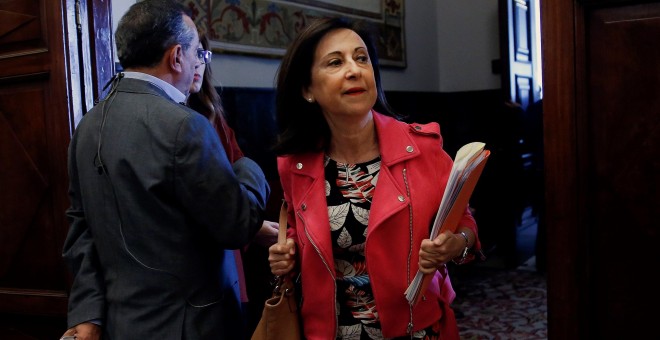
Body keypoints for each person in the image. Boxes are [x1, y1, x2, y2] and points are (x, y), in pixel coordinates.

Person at [61, 1, 269, 339]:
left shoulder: (86, 126)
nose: (198, 63)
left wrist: (88, 313)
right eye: (196, 54)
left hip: (121, 325)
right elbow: (237, 225)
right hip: (194, 326)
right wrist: (249, 168)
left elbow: (80, 229)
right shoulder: (185, 125)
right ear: (176, 57)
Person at [268, 17, 482, 339]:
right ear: (308, 89)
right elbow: (302, 234)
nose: (354, 70)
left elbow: (464, 221)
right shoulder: (294, 165)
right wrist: (288, 253)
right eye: (336, 62)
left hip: (415, 329)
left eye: (361, 58)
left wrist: (456, 244)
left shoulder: (423, 149)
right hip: (330, 331)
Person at [186, 29, 279, 331]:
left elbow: (235, 177)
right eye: (192, 56)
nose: (198, 66)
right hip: (192, 270)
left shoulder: (214, 116)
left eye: (203, 56)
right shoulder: (174, 124)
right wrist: (253, 228)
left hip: (230, 256)